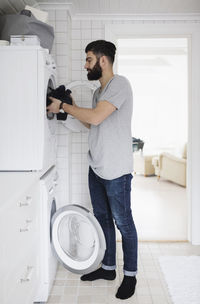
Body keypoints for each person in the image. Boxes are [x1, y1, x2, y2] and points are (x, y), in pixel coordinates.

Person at [47, 40, 138, 300]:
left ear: (103, 61)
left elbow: (96, 117)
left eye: (88, 59)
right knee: (103, 220)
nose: (85, 65)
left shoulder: (119, 84)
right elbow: (94, 125)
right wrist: (73, 107)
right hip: (97, 167)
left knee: (124, 224)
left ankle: (130, 274)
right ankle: (109, 268)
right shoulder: (99, 93)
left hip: (117, 171)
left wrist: (64, 107)